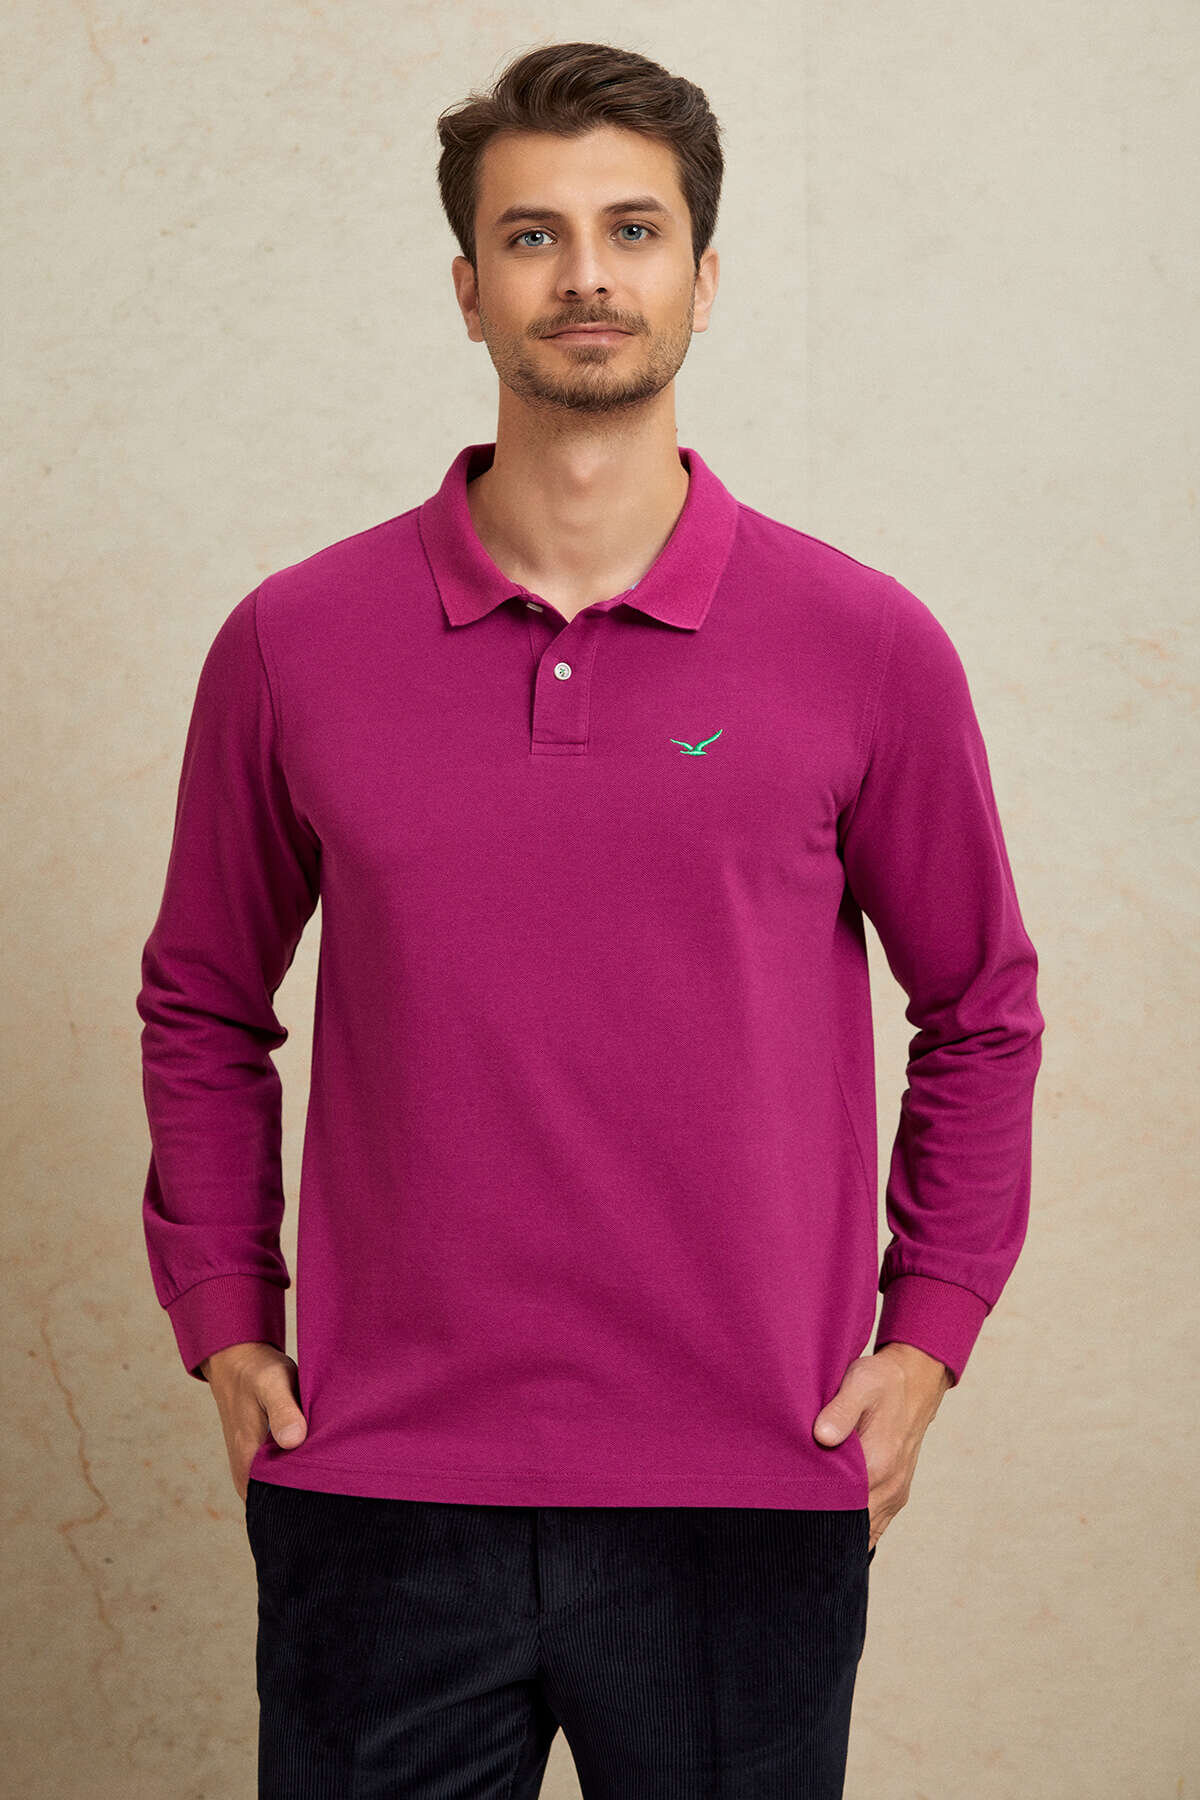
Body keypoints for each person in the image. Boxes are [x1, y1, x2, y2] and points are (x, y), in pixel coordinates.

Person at [136, 39, 1045, 1800]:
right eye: (532, 235)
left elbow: (984, 1007)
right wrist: (225, 1313)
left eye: (634, 229)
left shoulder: (864, 645)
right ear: (467, 286)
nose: (587, 275)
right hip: (380, 1487)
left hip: (747, 1483)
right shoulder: (292, 643)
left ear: (703, 274)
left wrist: (929, 1330)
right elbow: (201, 1002)